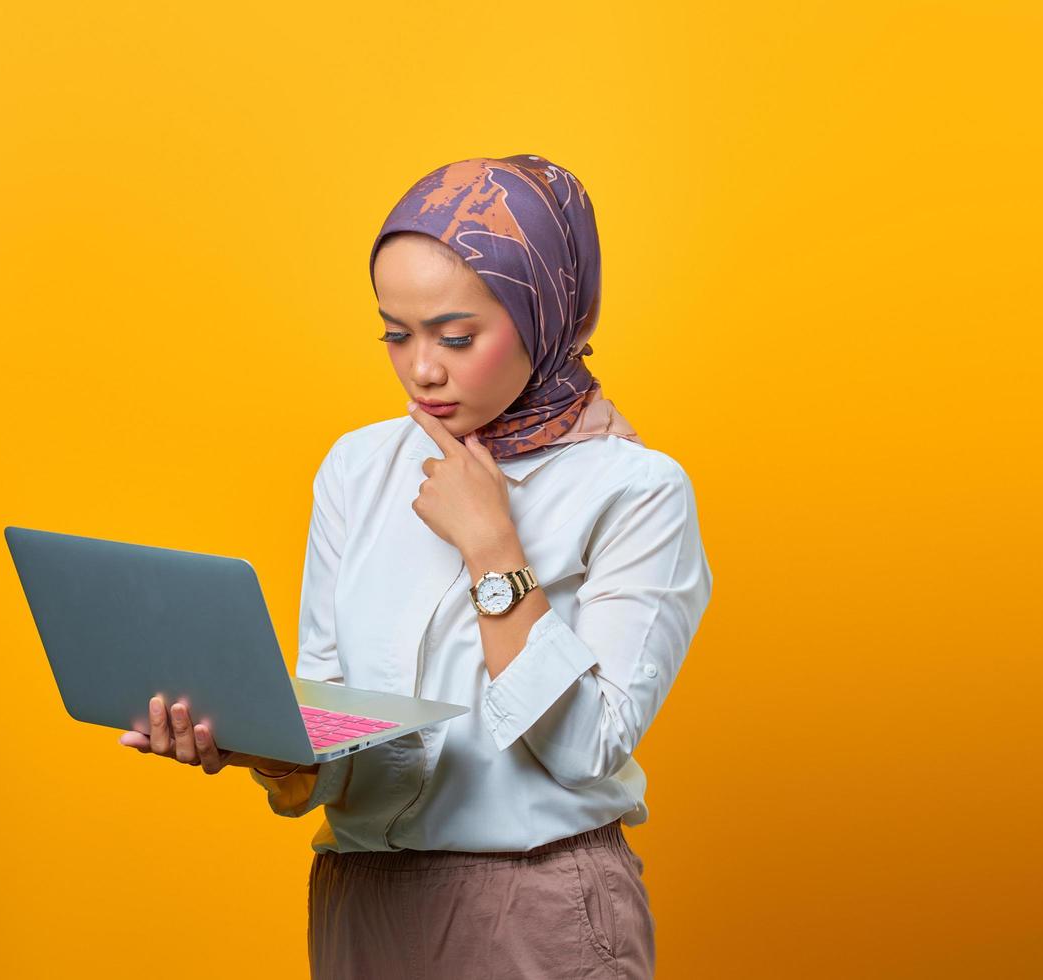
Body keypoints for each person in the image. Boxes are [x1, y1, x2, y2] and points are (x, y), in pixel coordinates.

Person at [119, 154, 713, 978]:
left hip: (536, 907)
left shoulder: (636, 490)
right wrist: (262, 744)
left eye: (456, 336)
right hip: (362, 901)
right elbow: (338, 708)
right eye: (395, 333)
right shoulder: (358, 467)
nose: (420, 369)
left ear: (543, 314)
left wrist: (490, 546)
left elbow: (587, 749)